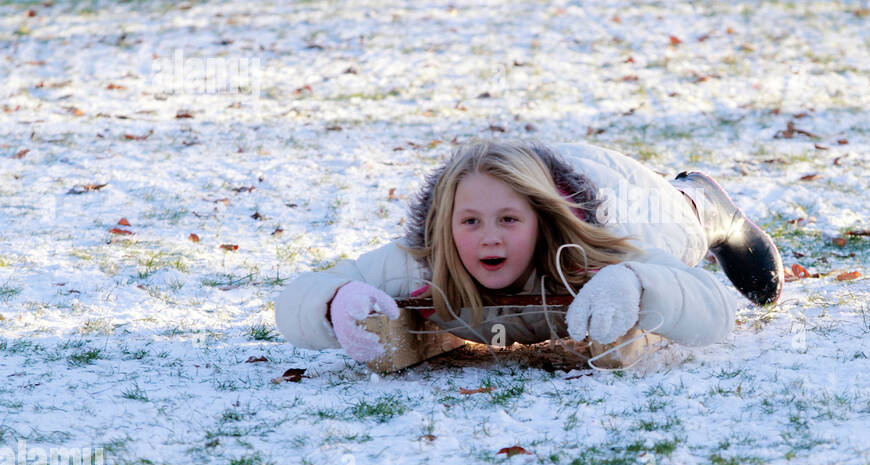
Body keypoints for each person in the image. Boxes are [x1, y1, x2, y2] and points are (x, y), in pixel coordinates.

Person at [273, 139, 783, 365]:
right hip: (533, 175)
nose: (489, 237)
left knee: (673, 222)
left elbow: (713, 310)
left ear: (540, 222)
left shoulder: (601, 250)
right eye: (470, 222)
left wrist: (640, 288)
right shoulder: (423, 259)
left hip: (622, 197)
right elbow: (301, 294)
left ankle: (705, 202)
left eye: (509, 222)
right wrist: (335, 304)